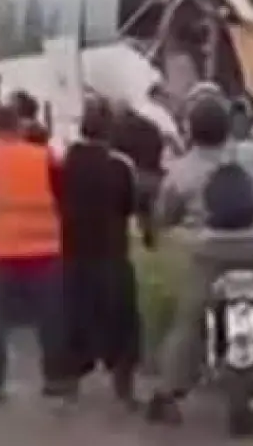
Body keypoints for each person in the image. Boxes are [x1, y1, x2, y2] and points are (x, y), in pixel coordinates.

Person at [145, 94, 253, 425]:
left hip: (210, 253)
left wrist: (168, 226)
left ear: (191, 131)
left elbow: (164, 214)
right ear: (230, 125)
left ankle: (168, 392)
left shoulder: (182, 170)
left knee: (188, 321)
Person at [0, 104, 71, 404]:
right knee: (51, 319)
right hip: (44, 250)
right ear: (19, 126)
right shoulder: (45, 156)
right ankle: (58, 379)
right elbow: (65, 199)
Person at [60, 96, 145, 407]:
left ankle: (68, 387)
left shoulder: (66, 162)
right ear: (110, 129)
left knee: (74, 321)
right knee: (123, 326)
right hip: (112, 256)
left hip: (74, 256)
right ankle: (125, 389)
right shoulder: (120, 165)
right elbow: (131, 206)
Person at [108, 98, 165, 249]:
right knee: (151, 220)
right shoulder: (151, 126)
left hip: (133, 180)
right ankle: (153, 246)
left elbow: (113, 156)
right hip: (154, 179)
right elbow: (159, 146)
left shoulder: (116, 128)